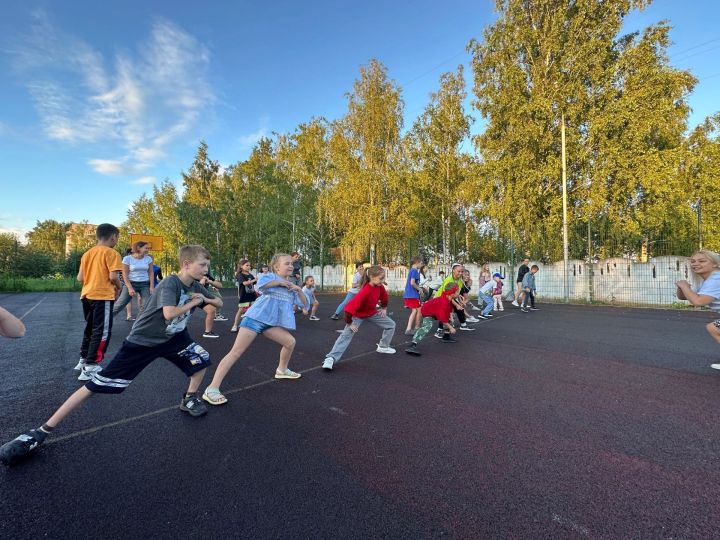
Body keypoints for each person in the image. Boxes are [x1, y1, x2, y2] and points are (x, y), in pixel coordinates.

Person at [0, 245, 222, 466]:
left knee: (200, 360)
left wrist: (205, 298)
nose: (205, 269)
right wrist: (195, 301)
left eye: (207, 266)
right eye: (202, 265)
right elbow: (169, 313)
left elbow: (219, 301)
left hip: (174, 338)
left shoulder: (194, 285)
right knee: (95, 385)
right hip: (143, 341)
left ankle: (189, 398)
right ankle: (42, 431)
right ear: (186, 264)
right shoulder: (171, 283)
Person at [202, 253, 307, 405]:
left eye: (292, 263)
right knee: (236, 352)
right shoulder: (268, 277)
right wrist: (279, 283)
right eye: (287, 263)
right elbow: (260, 286)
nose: (291, 266)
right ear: (276, 267)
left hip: (270, 324)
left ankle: (282, 370)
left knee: (290, 342)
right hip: (254, 319)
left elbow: (304, 304)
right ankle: (211, 388)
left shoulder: (291, 287)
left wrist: (299, 289)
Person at [322, 265, 396, 371]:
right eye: (381, 278)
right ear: (371, 277)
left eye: (383, 278)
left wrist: (384, 308)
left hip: (372, 313)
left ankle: (383, 346)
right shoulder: (365, 291)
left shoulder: (380, 287)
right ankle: (331, 358)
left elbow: (384, 297)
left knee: (391, 325)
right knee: (346, 335)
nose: (383, 281)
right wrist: (350, 323)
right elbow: (348, 309)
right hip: (358, 315)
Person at [75, 224, 123, 381]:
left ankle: (83, 359)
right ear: (114, 236)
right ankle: (91, 366)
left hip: (87, 295)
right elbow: (113, 277)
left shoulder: (87, 254)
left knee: (90, 329)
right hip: (102, 296)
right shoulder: (112, 253)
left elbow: (80, 278)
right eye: (117, 237)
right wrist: (120, 288)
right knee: (101, 331)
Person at [675, 250, 720, 370]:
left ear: (715, 264)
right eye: (693, 261)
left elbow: (698, 302)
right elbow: (685, 296)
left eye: (702, 261)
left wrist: (684, 286)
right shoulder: (707, 281)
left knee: (713, 327)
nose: (695, 264)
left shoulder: (716, 279)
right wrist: (681, 287)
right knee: (714, 327)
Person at [405, 284, 464, 355]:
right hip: (427, 311)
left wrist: (450, 316)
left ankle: (446, 337)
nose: (459, 293)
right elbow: (441, 318)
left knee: (450, 317)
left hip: (435, 311)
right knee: (427, 326)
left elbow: (449, 307)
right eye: (457, 292)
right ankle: (413, 344)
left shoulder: (448, 298)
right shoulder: (444, 302)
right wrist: (450, 327)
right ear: (452, 293)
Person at [113, 241, 155, 318]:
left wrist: (151, 286)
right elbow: (124, 274)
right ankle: (104, 322)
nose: (147, 250)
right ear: (139, 248)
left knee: (146, 306)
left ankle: (139, 325)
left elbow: (151, 273)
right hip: (131, 283)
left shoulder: (148, 258)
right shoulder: (127, 259)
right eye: (146, 248)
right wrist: (129, 288)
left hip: (144, 284)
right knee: (119, 305)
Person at [434, 264, 474, 338]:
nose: (460, 273)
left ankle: (463, 325)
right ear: (453, 270)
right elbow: (446, 295)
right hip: (441, 298)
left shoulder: (459, 280)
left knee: (460, 309)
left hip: (450, 297)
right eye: (459, 271)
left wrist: (460, 302)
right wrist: (456, 305)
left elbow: (456, 293)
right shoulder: (448, 280)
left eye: (462, 271)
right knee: (445, 313)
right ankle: (439, 331)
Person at [231, 259, 257, 333]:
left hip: (252, 295)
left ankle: (249, 325)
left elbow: (255, 283)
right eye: (247, 265)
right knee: (241, 310)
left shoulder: (250, 275)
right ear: (241, 266)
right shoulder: (240, 275)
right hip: (244, 295)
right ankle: (235, 325)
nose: (249, 267)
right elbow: (245, 283)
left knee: (253, 310)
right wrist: (254, 279)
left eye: (249, 265)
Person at [200, 271, 226, 338]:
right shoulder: (191, 276)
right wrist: (202, 282)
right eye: (203, 265)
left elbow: (220, 285)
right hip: (191, 294)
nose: (205, 268)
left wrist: (210, 281)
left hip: (202, 294)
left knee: (213, 308)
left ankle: (207, 332)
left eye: (206, 265)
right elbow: (195, 288)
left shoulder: (205, 275)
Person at [403, 256, 424, 336]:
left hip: (409, 295)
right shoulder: (415, 270)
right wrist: (420, 289)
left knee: (415, 310)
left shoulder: (412, 270)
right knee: (418, 310)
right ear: (417, 263)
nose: (421, 265)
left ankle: (409, 328)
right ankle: (416, 327)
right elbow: (412, 283)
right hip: (412, 295)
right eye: (421, 263)